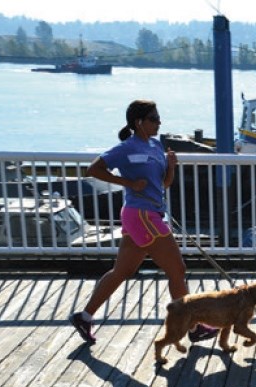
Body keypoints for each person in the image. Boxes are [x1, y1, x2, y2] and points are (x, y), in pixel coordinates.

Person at [69, 99, 218, 345]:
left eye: (159, 118)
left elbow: (163, 184)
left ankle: (84, 316)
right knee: (177, 270)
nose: (159, 122)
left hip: (146, 215)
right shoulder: (126, 147)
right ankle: (192, 328)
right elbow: (93, 170)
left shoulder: (156, 145)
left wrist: (171, 168)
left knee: (122, 271)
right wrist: (128, 184)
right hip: (141, 216)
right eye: (154, 119)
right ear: (139, 122)